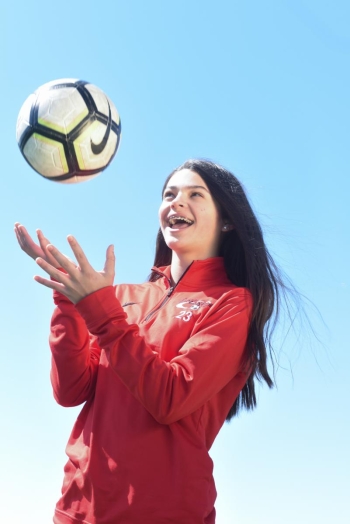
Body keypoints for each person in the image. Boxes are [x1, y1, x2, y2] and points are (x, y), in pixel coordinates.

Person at [15, 159, 286, 524]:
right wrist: (70, 301)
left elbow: (170, 398)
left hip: (165, 512)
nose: (176, 202)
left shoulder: (232, 303)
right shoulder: (121, 296)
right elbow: (70, 391)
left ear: (227, 220)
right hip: (79, 508)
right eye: (169, 194)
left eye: (194, 194)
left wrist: (99, 309)